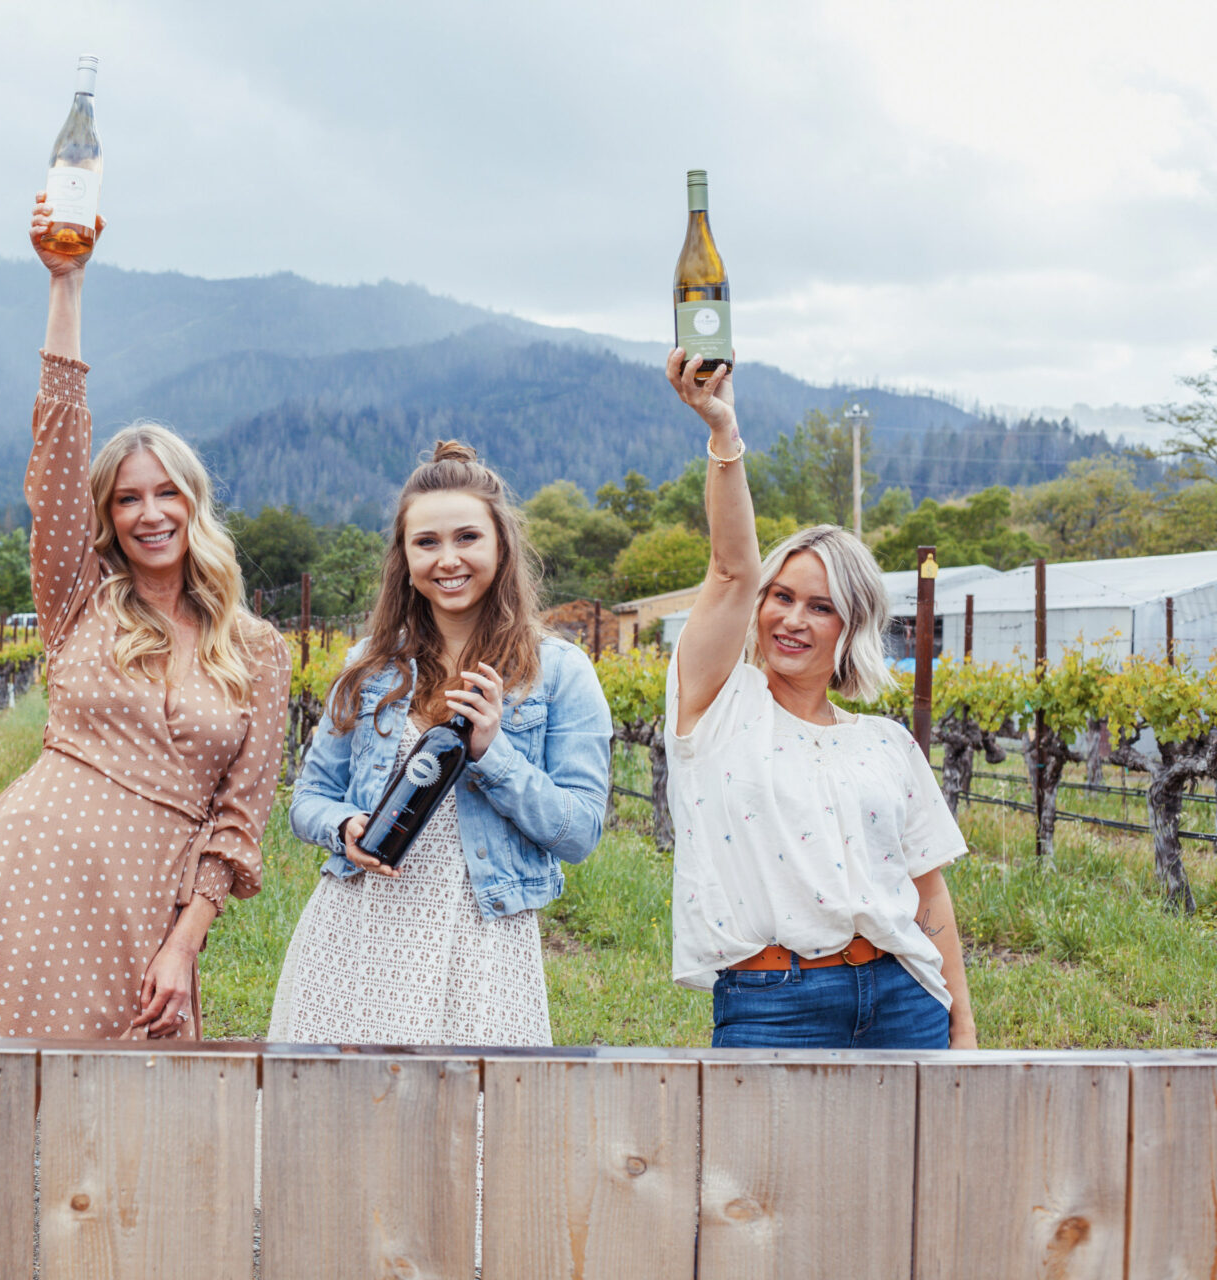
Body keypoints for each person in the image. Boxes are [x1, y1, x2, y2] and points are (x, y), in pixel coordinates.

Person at [0, 196, 291, 1040]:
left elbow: (239, 820)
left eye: (167, 493)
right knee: (8, 1112)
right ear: (109, 516)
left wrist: (185, 943)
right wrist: (67, 285)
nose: (149, 513)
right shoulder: (78, 600)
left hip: (149, 901)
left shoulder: (259, 651)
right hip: (32, 869)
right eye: (127, 498)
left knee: (138, 1129)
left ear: (196, 505)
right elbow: (55, 451)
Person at [662, 348, 976, 1049]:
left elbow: (929, 895)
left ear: (852, 626)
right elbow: (729, 569)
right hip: (774, 1003)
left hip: (904, 994)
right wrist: (723, 434)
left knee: (911, 1165)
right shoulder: (715, 705)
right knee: (762, 1167)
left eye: (820, 606)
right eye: (781, 597)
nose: (792, 619)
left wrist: (963, 1022)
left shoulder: (886, 744)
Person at [271, 441, 613, 1046]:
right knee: (339, 1127)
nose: (447, 559)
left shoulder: (558, 672)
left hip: (481, 943)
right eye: (426, 542)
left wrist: (493, 755)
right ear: (403, 557)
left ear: (500, 546)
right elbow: (309, 798)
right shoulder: (369, 667)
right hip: (358, 933)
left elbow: (580, 830)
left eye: (467, 538)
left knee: (468, 1128)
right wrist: (345, 825)